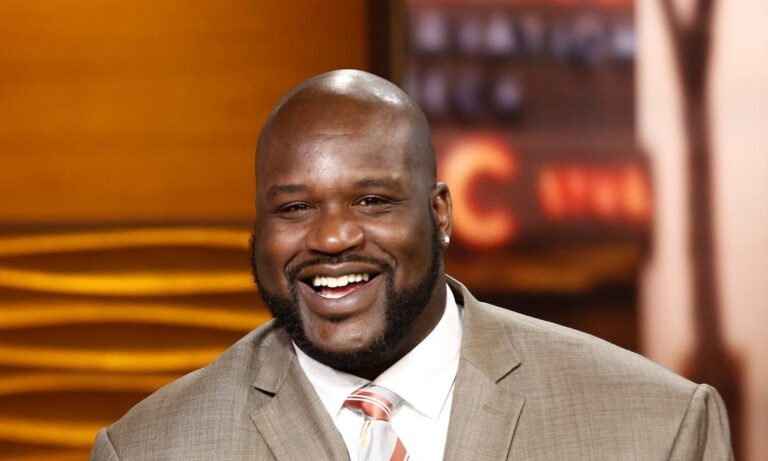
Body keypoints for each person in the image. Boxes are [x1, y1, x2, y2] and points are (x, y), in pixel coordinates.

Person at [90, 69, 733, 460]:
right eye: (294, 208)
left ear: (440, 213)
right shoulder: (151, 449)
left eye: (372, 201)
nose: (332, 237)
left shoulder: (657, 428)